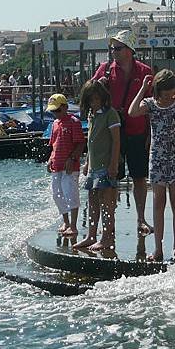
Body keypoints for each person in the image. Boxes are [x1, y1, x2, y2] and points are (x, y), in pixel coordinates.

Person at [129, 69, 175, 261]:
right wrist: (143, 88)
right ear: (157, 91)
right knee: (158, 202)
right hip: (157, 158)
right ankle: (158, 248)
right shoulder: (150, 104)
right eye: (164, 93)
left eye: (171, 92)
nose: (168, 96)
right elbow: (132, 112)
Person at [92, 30, 154, 235]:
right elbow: (88, 97)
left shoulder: (145, 72)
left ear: (130, 50)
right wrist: (97, 87)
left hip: (138, 131)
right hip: (112, 133)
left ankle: (141, 219)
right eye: (111, 48)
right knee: (111, 178)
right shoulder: (104, 70)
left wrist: (150, 135)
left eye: (118, 48)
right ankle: (110, 224)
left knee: (139, 177)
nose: (113, 52)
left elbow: (154, 106)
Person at [73, 80, 121, 253]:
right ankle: (91, 235)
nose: (94, 103)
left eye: (97, 99)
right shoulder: (92, 115)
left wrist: (114, 164)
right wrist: (86, 162)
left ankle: (107, 238)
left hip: (106, 165)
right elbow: (90, 141)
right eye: (91, 101)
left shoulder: (111, 114)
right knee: (92, 202)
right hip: (93, 167)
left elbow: (116, 141)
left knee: (107, 203)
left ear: (103, 97)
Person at [46, 93, 85, 237]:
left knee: (71, 194)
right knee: (57, 194)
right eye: (53, 111)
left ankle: (73, 225)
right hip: (57, 164)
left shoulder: (74, 121)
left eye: (57, 110)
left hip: (70, 166)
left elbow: (81, 143)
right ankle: (66, 221)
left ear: (65, 107)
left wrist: (73, 158)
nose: (55, 113)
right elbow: (54, 145)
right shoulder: (55, 124)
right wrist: (50, 158)